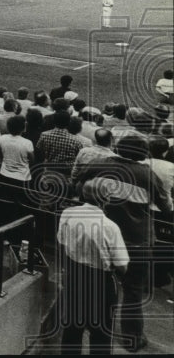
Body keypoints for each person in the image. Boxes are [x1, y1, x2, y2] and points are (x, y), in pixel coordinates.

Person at [72, 135, 172, 352]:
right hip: (136, 241)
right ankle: (133, 337)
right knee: (133, 290)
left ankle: (90, 323)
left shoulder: (100, 164)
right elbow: (166, 206)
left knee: (96, 279)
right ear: (143, 153)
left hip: (100, 233)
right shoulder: (149, 175)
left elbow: (77, 182)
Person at [55, 178, 129, 355]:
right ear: (106, 199)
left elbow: (61, 242)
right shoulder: (111, 227)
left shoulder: (68, 213)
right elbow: (122, 265)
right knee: (101, 334)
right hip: (101, 282)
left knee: (72, 329)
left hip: (74, 276)